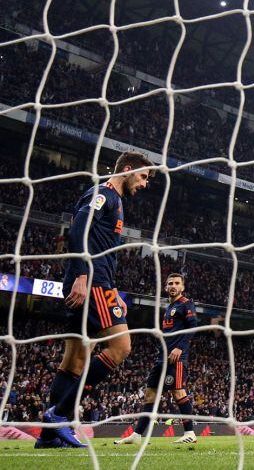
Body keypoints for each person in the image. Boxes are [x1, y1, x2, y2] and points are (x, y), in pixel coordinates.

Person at [36, 152, 154, 449]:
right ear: (127, 170)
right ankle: (59, 414)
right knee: (121, 347)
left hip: (100, 284)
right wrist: (82, 275)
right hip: (91, 283)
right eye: (143, 177)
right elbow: (78, 229)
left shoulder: (116, 201)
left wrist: (113, 290)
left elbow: (101, 247)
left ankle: (49, 437)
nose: (144, 184)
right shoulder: (103, 194)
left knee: (74, 360)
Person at [115, 273, 199, 445]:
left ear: (182, 287)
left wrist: (179, 348)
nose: (173, 286)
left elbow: (193, 327)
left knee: (178, 391)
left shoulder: (186, 304)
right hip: (162, 358)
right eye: (170, 283)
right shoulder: (169, 308)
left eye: (177, 283)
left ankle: (190, 433)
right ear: (166, 287)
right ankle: (137, 435)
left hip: (177, 358)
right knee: (150, 394)